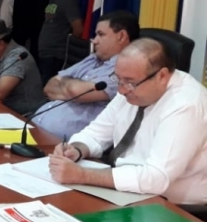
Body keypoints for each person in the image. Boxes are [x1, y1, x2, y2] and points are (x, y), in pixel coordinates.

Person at [50, 38, 207, 206]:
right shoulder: (132, 88)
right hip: (127, 191)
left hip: (172, 206)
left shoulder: (185, 105)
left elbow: (156, 178)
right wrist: (76, 149)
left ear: (162, 76)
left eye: (130, 82)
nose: (121, 90)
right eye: (118, 79)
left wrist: (82, 175)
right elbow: (95, 134)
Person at [33, 11, 140, 139]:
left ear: (121, 37)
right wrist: (72, 90)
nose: (94, 41)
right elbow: (49, 87)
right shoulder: (93, 59)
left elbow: (76, 91)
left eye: (101, 34)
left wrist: (67, 85)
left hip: (63, 143)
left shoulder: (126, 70)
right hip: (35, 128)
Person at [38, 0, 83, 84]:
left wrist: (66, 49)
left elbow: (78, 28)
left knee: (51, 89)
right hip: (46, 54)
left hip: (57, 56)